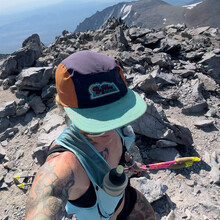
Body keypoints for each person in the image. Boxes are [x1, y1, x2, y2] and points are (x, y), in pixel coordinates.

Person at [25, 50, 156, 220]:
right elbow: (47, 195)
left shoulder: (119, 129)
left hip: (126, 201)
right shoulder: (65, 164)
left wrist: (129, 162)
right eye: (97, 123)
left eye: (116, 116)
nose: (110, 130)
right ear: (66, 109)